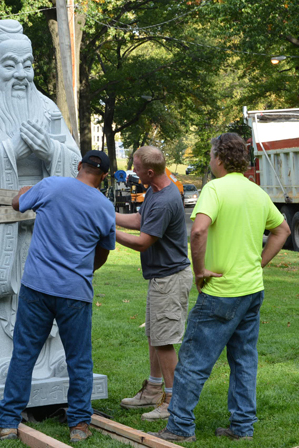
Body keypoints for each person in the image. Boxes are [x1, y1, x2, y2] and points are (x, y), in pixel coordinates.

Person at [0, 19, 81, 386]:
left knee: (47, 291)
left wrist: (50, 150)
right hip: (0, 225)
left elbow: (74, 162)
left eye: (27, 65)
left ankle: (49, 361)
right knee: (7, 293)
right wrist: (12, 150)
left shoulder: (44, 107)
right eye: (11, 65)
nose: (22, 74)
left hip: (44, 228)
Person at [151, 133, 290, 442]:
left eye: (211, 155)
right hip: (251, 290)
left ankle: (179, 427)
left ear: (219, 159)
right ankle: (242, 427)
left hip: (220, 292)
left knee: (192, 361)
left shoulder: (214, 188)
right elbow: (283, 230)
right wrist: (258, 263)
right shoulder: (256, 192)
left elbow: (198, 231)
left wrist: (199, 271)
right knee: (244, 361)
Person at [0, 151, 115, 442]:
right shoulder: (105, 206)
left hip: (37, 287)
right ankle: (79, 426)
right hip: (76, 292)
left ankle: (8, 422)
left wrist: (24, 191)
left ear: (80, 166)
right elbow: (103, 252)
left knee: (23, 354)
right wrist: (83, 270)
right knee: (79, 360)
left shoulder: (51, 185)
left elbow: (16, 203)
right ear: (104, 176)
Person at [116, 146, 192, 422]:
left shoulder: (164, 199)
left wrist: (109, 232)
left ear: (149, 171)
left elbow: (143, 241)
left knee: (165, 341)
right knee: (155, 337)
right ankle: (152, 390)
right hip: (161, 277)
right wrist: (105, 215)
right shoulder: (155, 189)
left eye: (135, 168)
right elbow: (138, 220)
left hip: (170, 279)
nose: (132, 171)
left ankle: (172, 401)